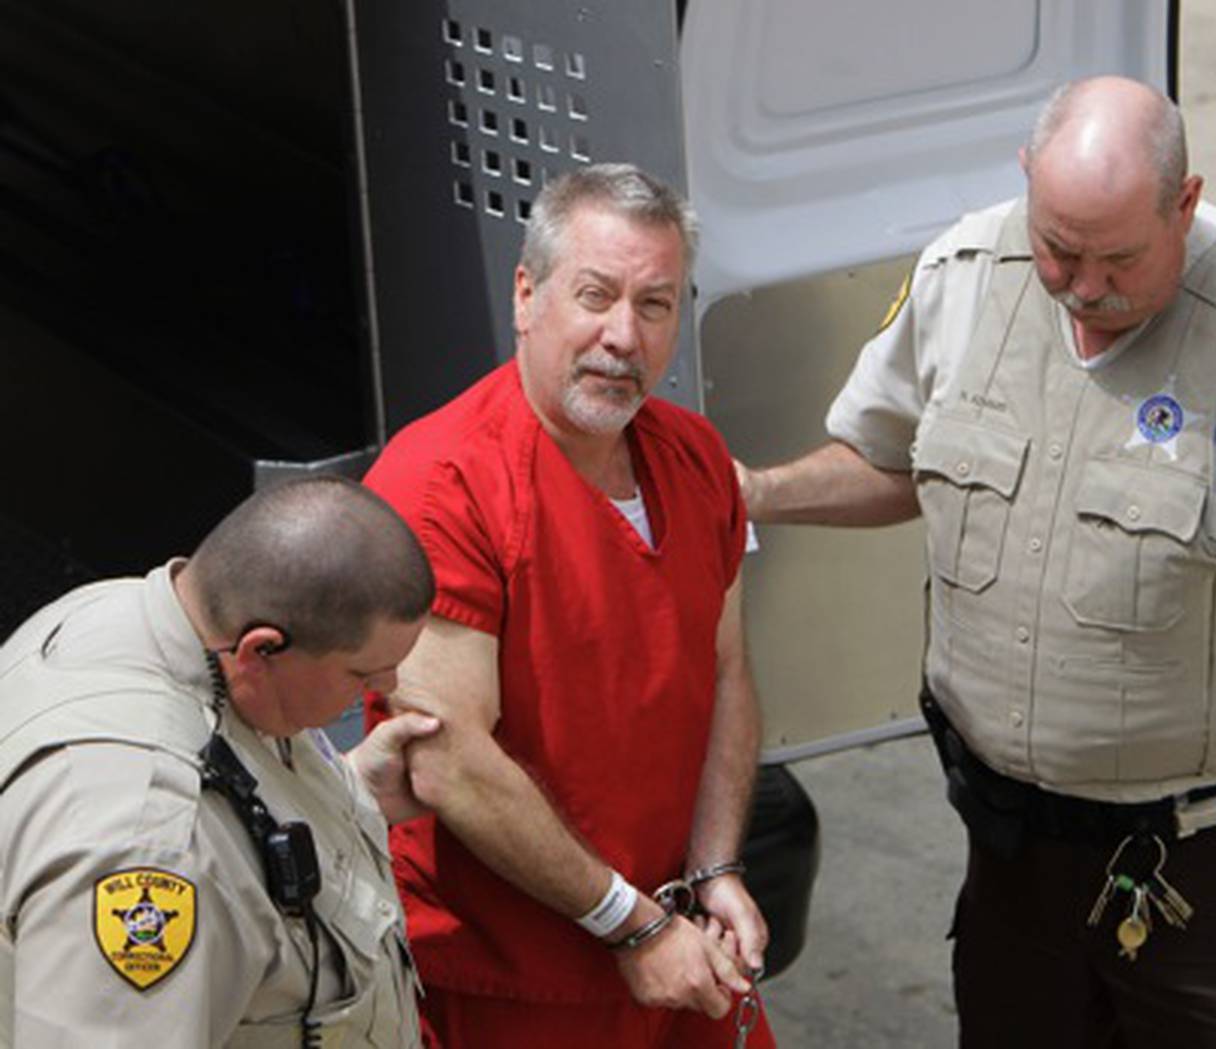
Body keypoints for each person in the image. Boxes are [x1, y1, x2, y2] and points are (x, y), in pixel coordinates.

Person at [738, 76, 1216, 1048]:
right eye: (1058, 248)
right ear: (1027, 181)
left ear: (1184, 204)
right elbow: (893, 462)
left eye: (1117, 257)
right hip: (1015, 856)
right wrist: (749, 492)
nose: (1080, 284)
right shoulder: (964, 275)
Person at [363, 162, 775, 1048]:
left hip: (673, 957)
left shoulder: (697, 457)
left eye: (656, 305)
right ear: (526, 294)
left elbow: (728, 671)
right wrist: (631, 921)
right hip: (512, 984)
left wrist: (715, 871)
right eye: (596, 296)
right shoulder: (444, 484)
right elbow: (449, 760)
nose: (623, 335)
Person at [0, 476, 441, 1047]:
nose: (387, 687)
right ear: (260, 649)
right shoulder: (149, 844)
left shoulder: (143, 616)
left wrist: (350, 793)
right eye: (362, 673)